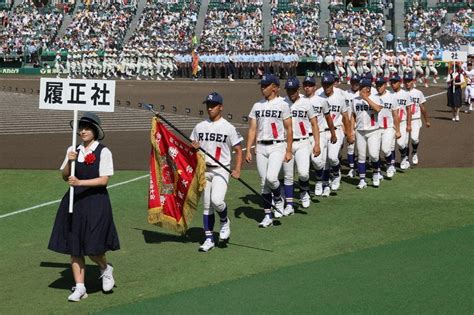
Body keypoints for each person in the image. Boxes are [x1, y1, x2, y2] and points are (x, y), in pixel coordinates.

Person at [48, 112, 119, 302]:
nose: (83, 131)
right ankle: (80, 287)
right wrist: (69, 161)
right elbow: (64, 175)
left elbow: (104, 180)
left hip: (96, 202)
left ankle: (105, 267)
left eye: (87, 128)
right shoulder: (73, 149)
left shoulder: (104, 151)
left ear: (95, 131)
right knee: (75, 246)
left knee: (94, 246)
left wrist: (80, 183)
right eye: (81, 128)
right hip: (74, 201)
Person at [190, 92, 243, 252]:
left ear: (221, 107)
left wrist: (237, 169)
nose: (210, 108)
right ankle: (208, 239)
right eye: (208, 105)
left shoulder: (229, 127)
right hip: (204, 169)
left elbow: (238, 150)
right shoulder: (200, 126)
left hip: (221, 169)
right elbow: (193, 145)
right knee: (207, 206)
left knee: (217, 201)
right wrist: (194, 147)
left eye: (213, 105)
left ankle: (225, 221)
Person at [245, 73, 293, 228]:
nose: (262, 88)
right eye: (262, 85)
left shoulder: (283, 104)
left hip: (277, 145)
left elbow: (289, 128)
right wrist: (248, 149)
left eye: (266, 86)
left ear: (275, 88)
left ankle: (279, 198)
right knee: (264, 183)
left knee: (272, 178)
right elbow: (252, 129)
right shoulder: (257, 105)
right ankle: (267, 215)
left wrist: (289, 150)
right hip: (260, 146)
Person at [282, 77, 321, 214]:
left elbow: (314, 123)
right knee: (288, 175)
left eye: (293, 90)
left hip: (303, 142)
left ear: (298, 89)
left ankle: (304, 191)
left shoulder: (306, 103)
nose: (291, 92)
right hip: (287, 144)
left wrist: (317, 143)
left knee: (304, 173)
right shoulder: (282, 103)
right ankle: (289, 204)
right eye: (289, 90)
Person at [350, 78, 383, 189]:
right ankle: (362, 180)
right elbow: (353, 116)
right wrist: (351, 131)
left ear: (368, 88)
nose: (359, 89)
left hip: (373, 130)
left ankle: (375, 174)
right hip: (360, 131)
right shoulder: (355, 100)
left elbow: (378, 109)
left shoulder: (376, 97)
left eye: (361, 87)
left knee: (374, 155)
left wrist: (366, 98)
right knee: (361, 156)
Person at [374, 77, 401, 178]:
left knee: (385, 149)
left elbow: (396, 115)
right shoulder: (373, 96)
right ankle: (377, 171)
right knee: (375, 153)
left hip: (388, 127)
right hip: (376, 128)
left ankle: (390, 165)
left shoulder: (391, 97)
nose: (379, 87)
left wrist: (398, 130)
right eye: (377, 85)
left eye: (381, 85)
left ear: (385, 85)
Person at [404, 73, 431, 166]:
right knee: (404, 142)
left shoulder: (418, 93)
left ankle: (414, 152)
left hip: (415, 119)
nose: (407, 83)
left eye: (409, 81)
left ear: (413, 82)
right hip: (404, 120)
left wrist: (427, 120)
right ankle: (406, 158)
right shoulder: (401, 93)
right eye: (405, 81)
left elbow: (423, 108)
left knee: (414, 139)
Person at [389, 74, 412, 170]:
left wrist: (409, 124)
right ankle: (392, 164)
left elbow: (409, 110)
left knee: (401, 143)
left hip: (402, 122)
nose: (393, 84)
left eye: (395, 82)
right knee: (391, 145)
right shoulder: (389, 94)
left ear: (399, 83)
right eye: (391, 82)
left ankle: (404, 156)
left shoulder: (405, 94)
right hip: (391, 123)